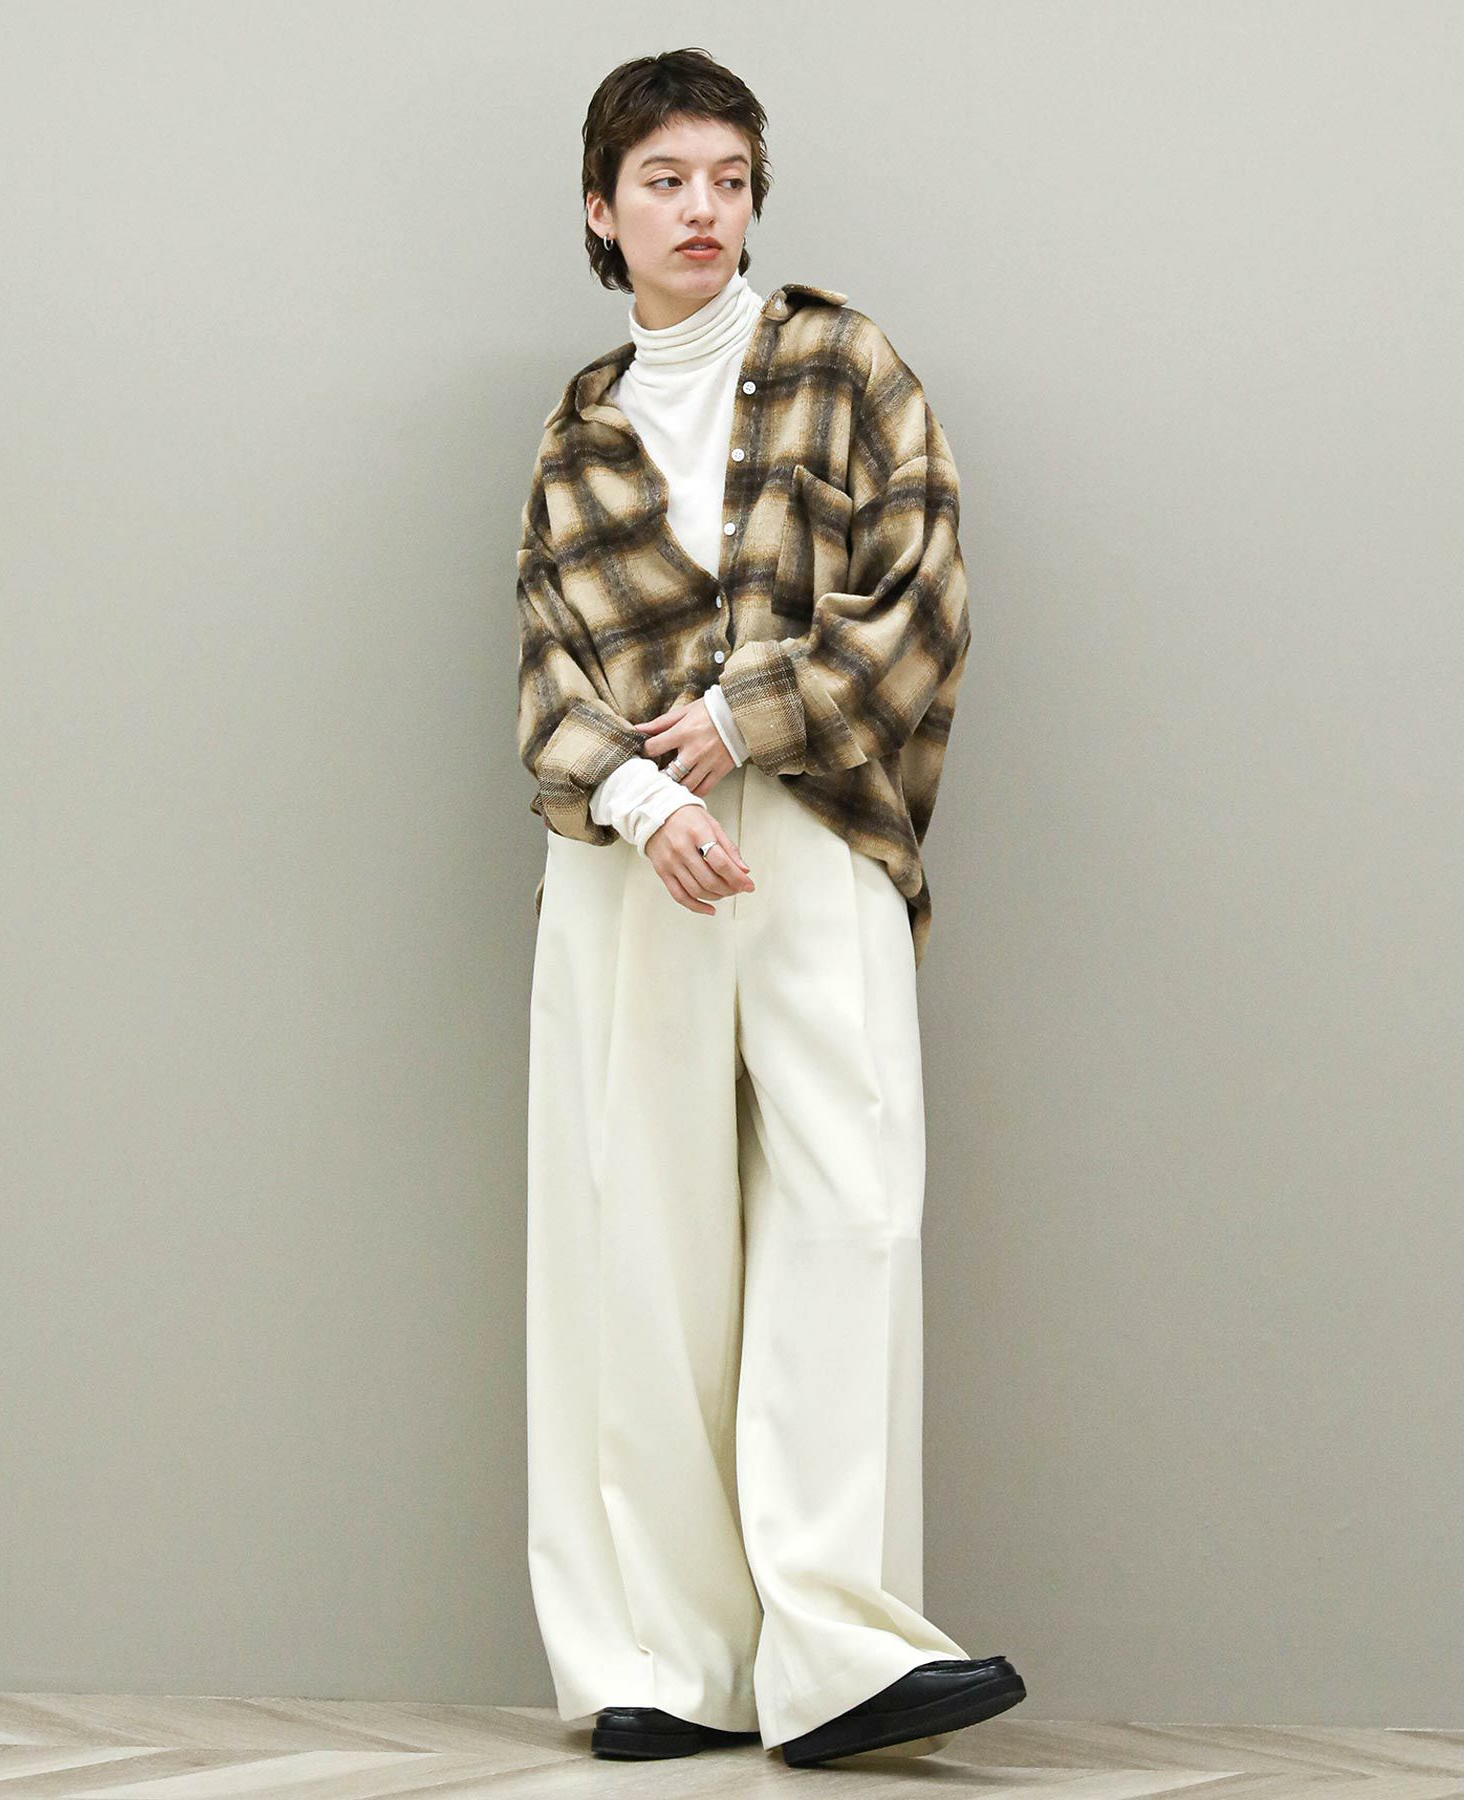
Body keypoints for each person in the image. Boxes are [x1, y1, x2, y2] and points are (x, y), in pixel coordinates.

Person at [515, 47, 1027, 1768]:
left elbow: (926, 591)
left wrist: (747, 720)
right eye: (665, 180)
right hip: (633, 864)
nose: (703, 209)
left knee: (849, 1208)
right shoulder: (581, 428)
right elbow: (549, 673)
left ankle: (837, 1652)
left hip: (812, 822)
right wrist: (648, 797)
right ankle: (660, 1661)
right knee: (637, 1248)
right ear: (603, 211)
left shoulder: (844, 365)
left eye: (729, 178)